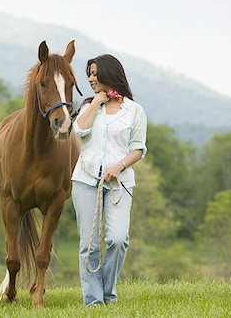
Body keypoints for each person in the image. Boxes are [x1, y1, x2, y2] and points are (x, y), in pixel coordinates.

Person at [71, 54, 147, 306]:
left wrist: (119, 166)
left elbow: (138, 148)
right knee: (89, 245)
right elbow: (79, 130)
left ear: (109, 74)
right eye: (89, 74)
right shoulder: (88, 106)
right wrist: (96, 103)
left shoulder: (134, 111)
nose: (91, 78)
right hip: (85, 180)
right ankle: (93, 303)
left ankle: (107, 292)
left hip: (119, 183)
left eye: (95, 73)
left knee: (117, 238)